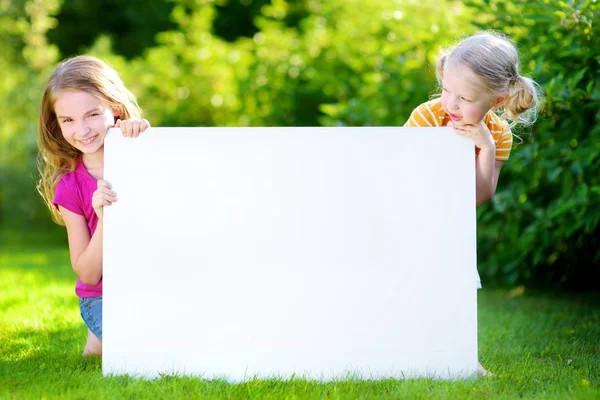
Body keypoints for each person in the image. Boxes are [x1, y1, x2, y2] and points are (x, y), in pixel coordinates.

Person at [404, 31, 541, 376]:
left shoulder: (498, 134)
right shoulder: (427, 117)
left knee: (458, 286)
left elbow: (480, 196)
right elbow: (399, 175)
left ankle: (464, 361)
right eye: (446, 90)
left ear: (496, 101)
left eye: (464, 97)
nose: (450, 104)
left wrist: (486, 149)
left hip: (453, 226)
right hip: (409, 218)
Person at [37, 55, 150, 356]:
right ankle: (98, 338)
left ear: (113, 108)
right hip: (102, 296)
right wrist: (104, 219)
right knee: (139, 351)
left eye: (92, 114)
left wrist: (146, 140)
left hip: (150, 283)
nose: (82, 130)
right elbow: (87, 274)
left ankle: (96, 344)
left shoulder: (143, 154)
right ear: (56, 123)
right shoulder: (70, 186)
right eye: (68, 120)